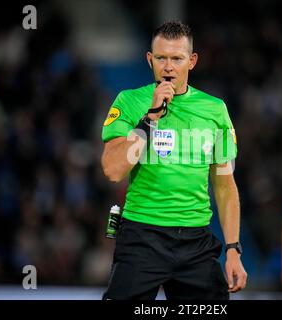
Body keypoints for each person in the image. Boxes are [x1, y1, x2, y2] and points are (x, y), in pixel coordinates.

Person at [100, 21, 246, 300]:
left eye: (177, 59)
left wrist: (233, 249)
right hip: (142, 237)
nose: (168, 67)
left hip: (196, 243)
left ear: (191, 61)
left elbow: (225, 185)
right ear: (149, 59)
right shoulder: (130, 101)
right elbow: (113, 170)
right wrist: (150, 118)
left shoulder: (215, 110)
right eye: (161, 58)